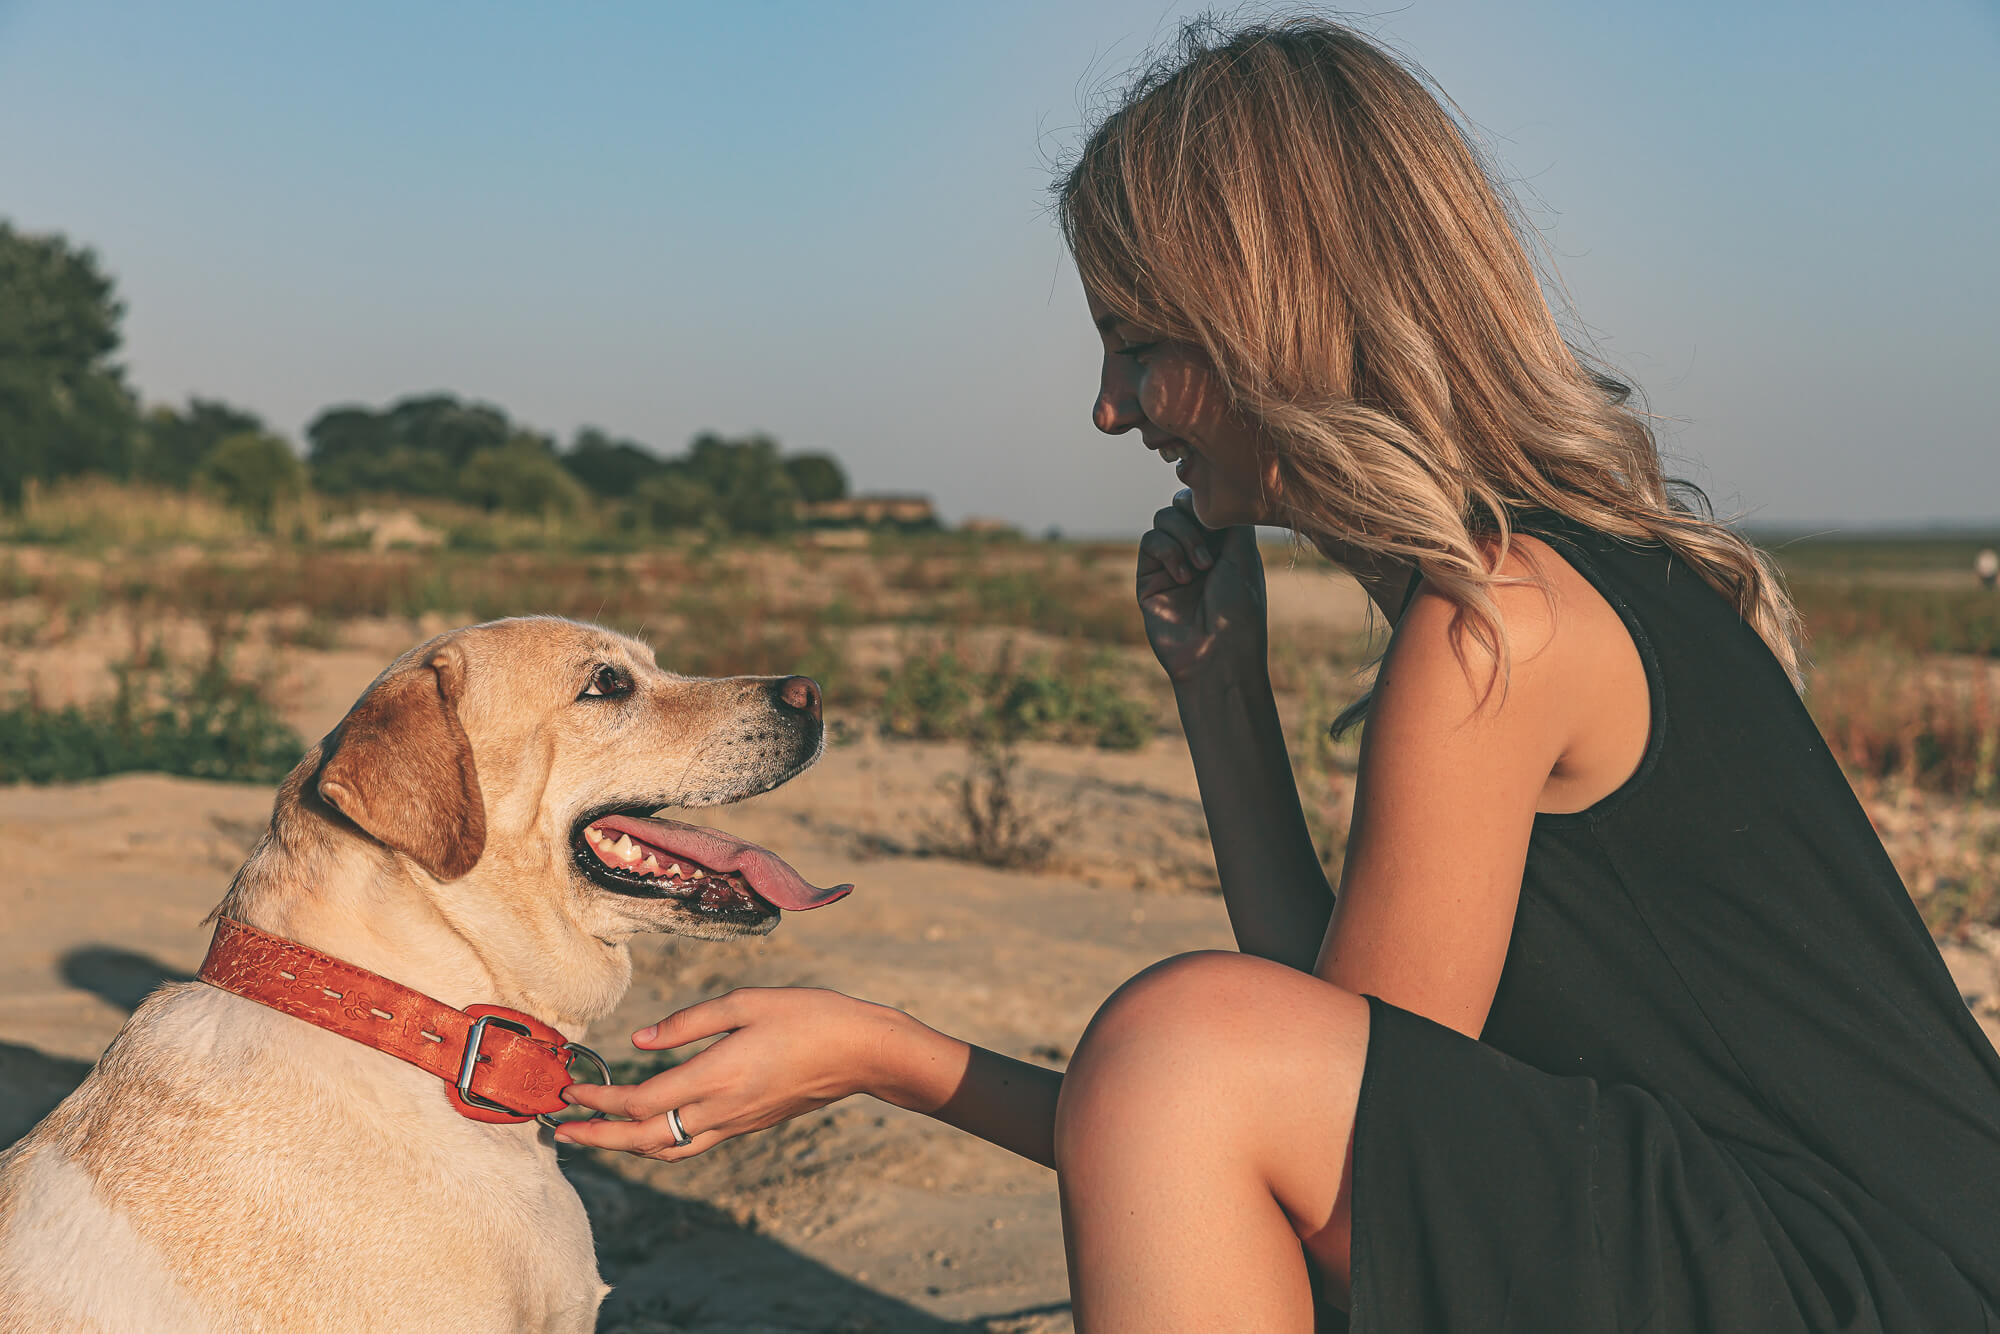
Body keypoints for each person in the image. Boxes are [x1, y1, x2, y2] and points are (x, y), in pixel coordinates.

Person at [557, 18, 2000, 1332]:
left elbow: (1292, 1123)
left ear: (1277, 321)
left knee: (1183, 1038)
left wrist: (887, 1054)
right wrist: (1220, 695)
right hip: (1817, 1256)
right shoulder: (1562, 581)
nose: (1110, 408)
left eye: (1138, 344)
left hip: (1854, 1281)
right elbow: (1345, 1063)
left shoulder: (1502, 625)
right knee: (1209, 1043)